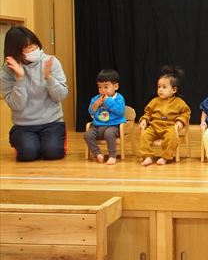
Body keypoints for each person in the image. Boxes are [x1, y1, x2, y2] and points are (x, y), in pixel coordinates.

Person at [0, 26, 68, 161]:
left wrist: (49, 78)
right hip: (24, 126)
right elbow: (17, 105)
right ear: (15, 50)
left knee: (52, 153)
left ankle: (56, 140)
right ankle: (22, 142)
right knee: (27, 155)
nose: (33, 49)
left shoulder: (51, 62)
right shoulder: (6, 72)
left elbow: (61, 96)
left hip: (52, 122)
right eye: (27, 47)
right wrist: (20, 79)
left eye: (34, 44)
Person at [138, 65, 191, 166]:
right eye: (159, 87)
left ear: (174, 90)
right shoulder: (154, 101)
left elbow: (186, 113)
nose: (160, 90)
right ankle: (147, 156)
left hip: (169, 127)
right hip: (154, 126)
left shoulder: (179, 102)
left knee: (172, 137)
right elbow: (148, 113)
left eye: (164, 87)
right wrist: (144, 120)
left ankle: (165, 156)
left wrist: (180, 121)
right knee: (144, 135)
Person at [84, 69, 126, 165]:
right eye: (100, 87)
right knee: (87, 135)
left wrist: (108, 101)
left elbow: (120, 111)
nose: (102, 90)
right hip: (97, 126)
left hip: (114, 126)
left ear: (116, 86)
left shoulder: (119, 98)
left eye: (106, 87)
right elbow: (91, 111)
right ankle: (97, 154)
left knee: (109, 133)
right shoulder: (96, 98)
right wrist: (96, 104)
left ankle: (112, 156)